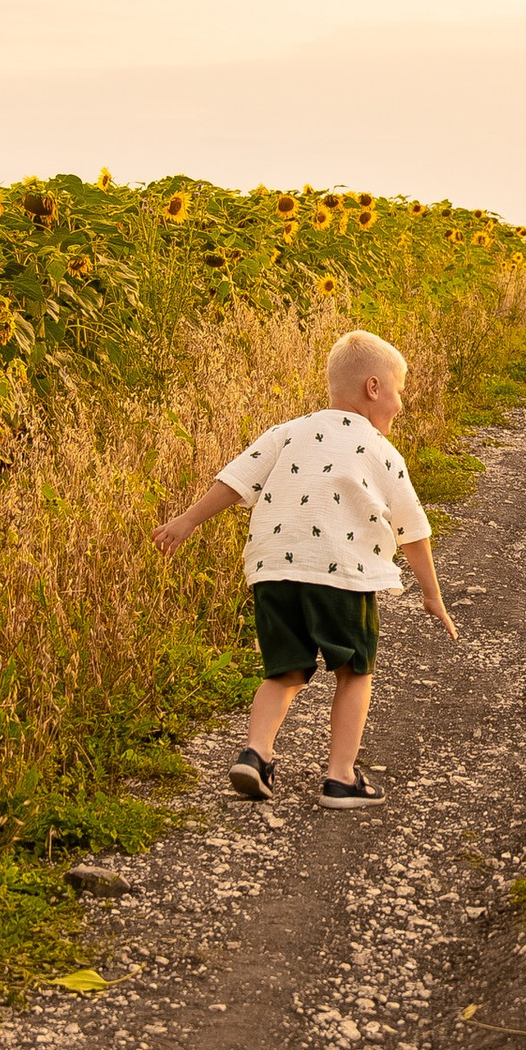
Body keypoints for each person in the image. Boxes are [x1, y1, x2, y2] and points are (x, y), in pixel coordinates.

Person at [155, 327, 456, 805]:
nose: (401, 404)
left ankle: (256, 755)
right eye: (399, 391)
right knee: (354, 671)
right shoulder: (381, 451)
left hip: (274, 572)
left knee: (285, 671)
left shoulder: (288, 431)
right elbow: (413, 531)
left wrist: (188, 520)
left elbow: (236, 480)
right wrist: (432, 594)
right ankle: (340, 777)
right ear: (373, 388)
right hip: (342, 575)